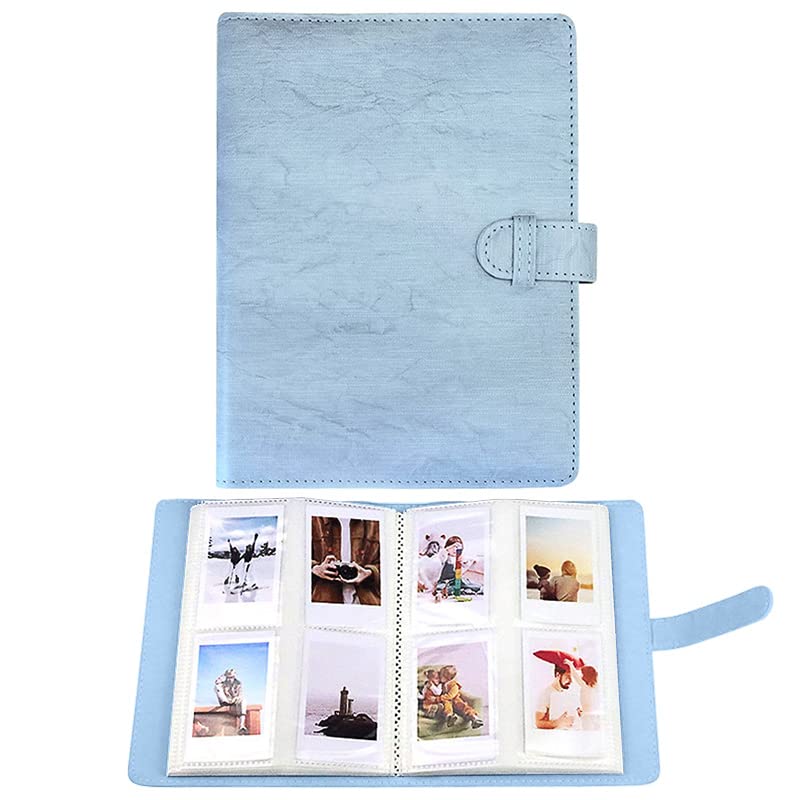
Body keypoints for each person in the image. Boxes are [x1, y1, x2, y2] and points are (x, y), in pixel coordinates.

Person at [310, 517, 381, 604]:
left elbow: (391, 565)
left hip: (366, 601)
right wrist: (315, 568)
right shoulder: (315, 520)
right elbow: (297, 558)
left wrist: (370, 572)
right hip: (323, 600)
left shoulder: (375, 522)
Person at [432, 536, 483, 601]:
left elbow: (469, 562)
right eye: (452, 547)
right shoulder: (445, 557)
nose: (454, 549)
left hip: (457, 580)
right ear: (447, 548)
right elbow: (442, 552)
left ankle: (479, 589)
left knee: (469, 584)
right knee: (441, 587)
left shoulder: (460, 558)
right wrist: (449, 547)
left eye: (457, 547)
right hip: (445, 581)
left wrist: (465, 561)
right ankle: (440, 593)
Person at [535, 662, 582, 730]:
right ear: (558, 675)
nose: (571, 681)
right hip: (553, 735)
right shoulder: (546, 694)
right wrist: (557, 723)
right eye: (568, 676)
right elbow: (538, 723)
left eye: (571, 677)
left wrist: (578, 714)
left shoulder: (565, 693)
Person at [438, 664, 484, 728]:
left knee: (463, 706)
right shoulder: (441, 683)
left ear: (448, 678)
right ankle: (450, 717)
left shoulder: (454, 685)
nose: (439, 676)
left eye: (442, 675)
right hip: (447, 701)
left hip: (455, 700)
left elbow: (450, 696)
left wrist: (439, 698)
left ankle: (474, 718)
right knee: (447, 706)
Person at [214, 668, 248, 734]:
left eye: (231, 677)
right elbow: (216, 682)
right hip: (225, 701)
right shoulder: (223, 683)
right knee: (217, 687)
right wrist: (224, 675)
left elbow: (240, 694)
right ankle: (225, 701)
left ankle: (242, 726)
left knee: (243, 701)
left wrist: (236, 698)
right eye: (228, 677)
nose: (229, 679)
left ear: (234, 677)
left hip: (234, 701)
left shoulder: (238, 683)